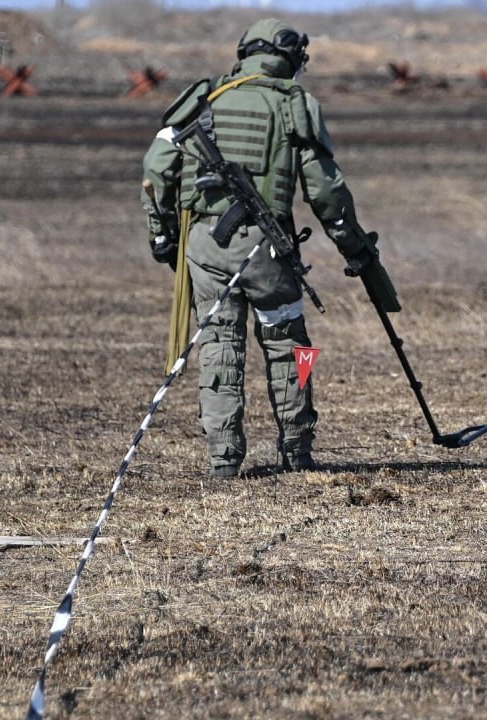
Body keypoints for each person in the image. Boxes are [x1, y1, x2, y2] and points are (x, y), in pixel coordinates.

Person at [141, 18, 381, 478]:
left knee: (218, 345)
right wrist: (352, 247)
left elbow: (154, 172)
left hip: (205, 248)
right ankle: (297, 450)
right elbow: (326, 192)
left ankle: (224, 460)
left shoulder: (202, 98)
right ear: (290, 57)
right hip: (267, 251)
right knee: (292, 346)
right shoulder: (294, 104)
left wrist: (164, 236)